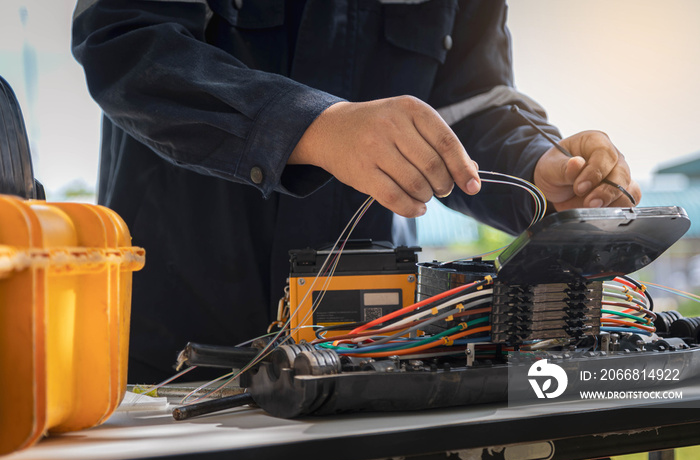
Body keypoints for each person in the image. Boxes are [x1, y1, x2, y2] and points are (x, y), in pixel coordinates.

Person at [71, 0, 640, 383]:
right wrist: (312, 126)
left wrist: (538, 168)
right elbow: (127, 43)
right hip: (174, 349)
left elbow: (472, 98)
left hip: (359, 353)